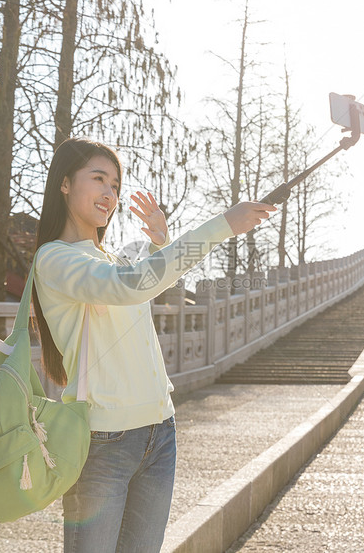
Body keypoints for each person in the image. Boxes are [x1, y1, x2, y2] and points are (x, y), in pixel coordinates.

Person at [31, 137, 277, 553]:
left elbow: (141, 277)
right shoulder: (55, 259)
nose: (109, 193)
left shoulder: (109, 259)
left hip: (160, 433)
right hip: (102, 442)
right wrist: (221, 226)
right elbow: (133, 285)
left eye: (115, 184)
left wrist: (161, 241)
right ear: (65, 184)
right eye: (98, 178)